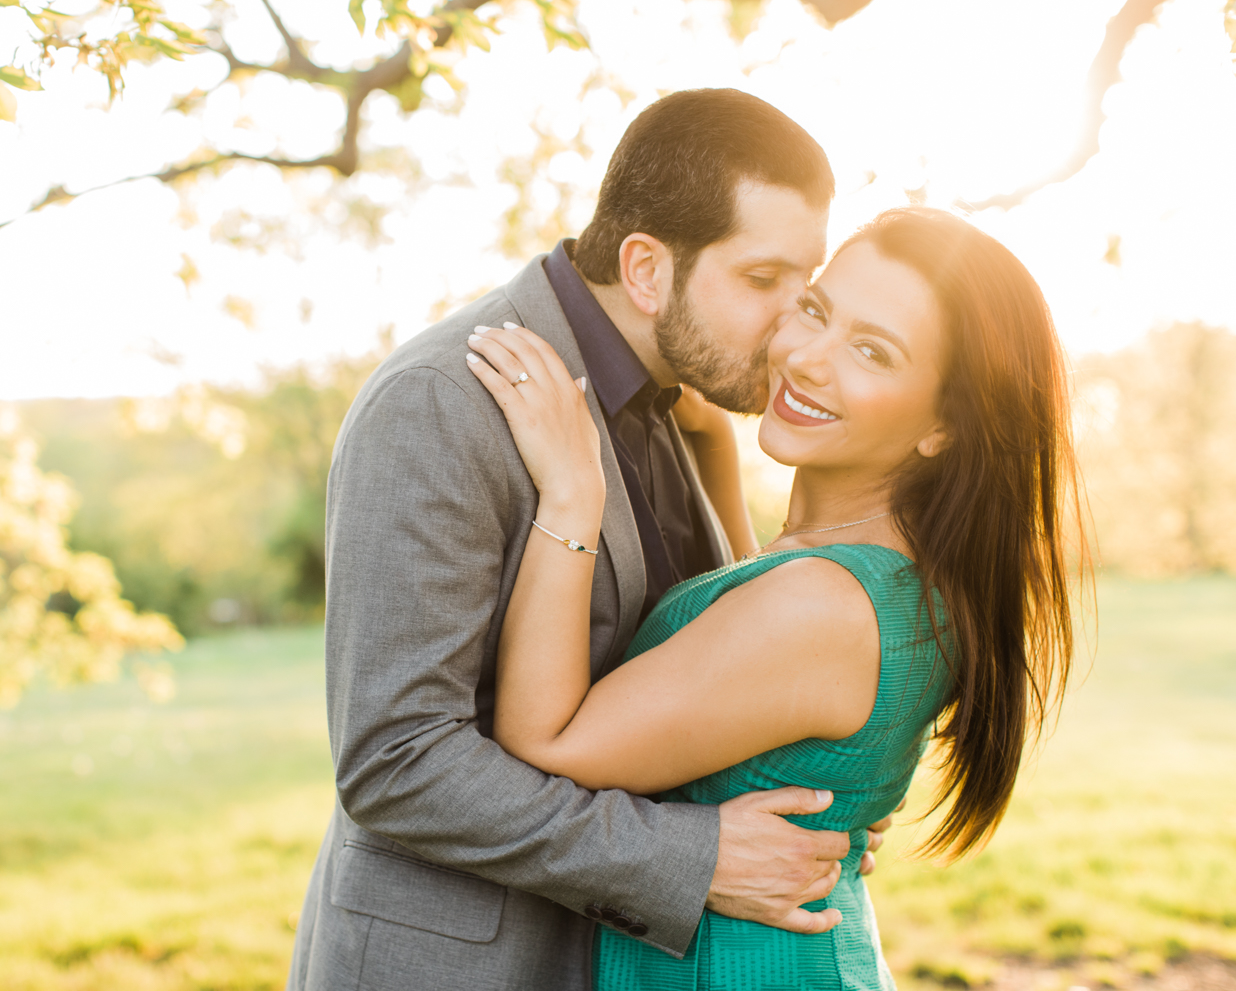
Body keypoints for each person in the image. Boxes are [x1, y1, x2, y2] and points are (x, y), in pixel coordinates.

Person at [288, 89, 903, 991]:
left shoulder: (681, 407)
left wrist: (801, 785)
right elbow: (397, 763)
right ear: (647, 270)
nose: (790, 328)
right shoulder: (442, 404)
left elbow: (682, 678)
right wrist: (695, 856)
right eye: (762, 282)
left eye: (801, 288)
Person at [462, 204, 1082, 989]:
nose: (809, 358)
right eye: (816, 311)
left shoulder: (821, 610)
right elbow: (749, 608)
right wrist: (715, 428)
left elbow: (548, 743)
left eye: (873, 352)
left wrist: (573, 494)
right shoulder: (881, 573)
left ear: (943, 427)